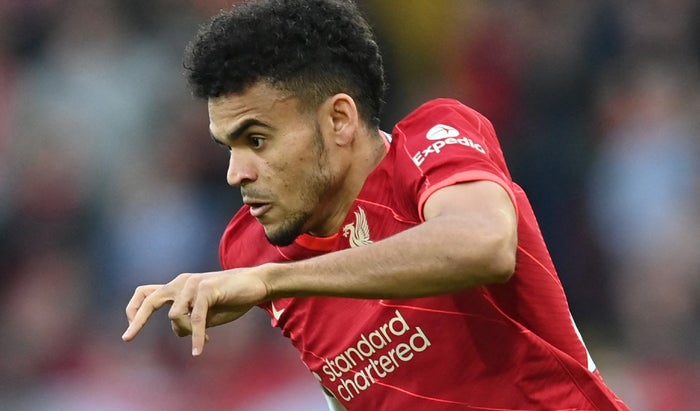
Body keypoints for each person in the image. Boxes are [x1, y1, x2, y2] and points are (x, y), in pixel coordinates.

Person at [122, 0, 629, 409]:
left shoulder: (433, 143)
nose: (236, 173)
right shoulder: (254, 248)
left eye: (257, 140)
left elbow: (484, 245)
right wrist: (270, 279)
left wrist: (270, 282)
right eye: (227, 147)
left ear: (339, 120)